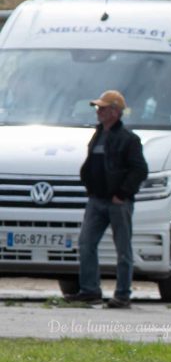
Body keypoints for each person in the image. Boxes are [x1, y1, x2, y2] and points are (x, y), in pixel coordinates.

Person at [65, 90, 148, 307]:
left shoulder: (129, 139)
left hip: (118, 203)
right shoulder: (98, 133)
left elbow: (140, 170)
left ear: (115, 111)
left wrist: (122, 194)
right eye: (98, 108)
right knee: (86, 243)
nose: (98, 112)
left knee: (123, 249)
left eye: (102, 108)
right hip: (96, 201)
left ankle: (122, 295)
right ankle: (90, 290)